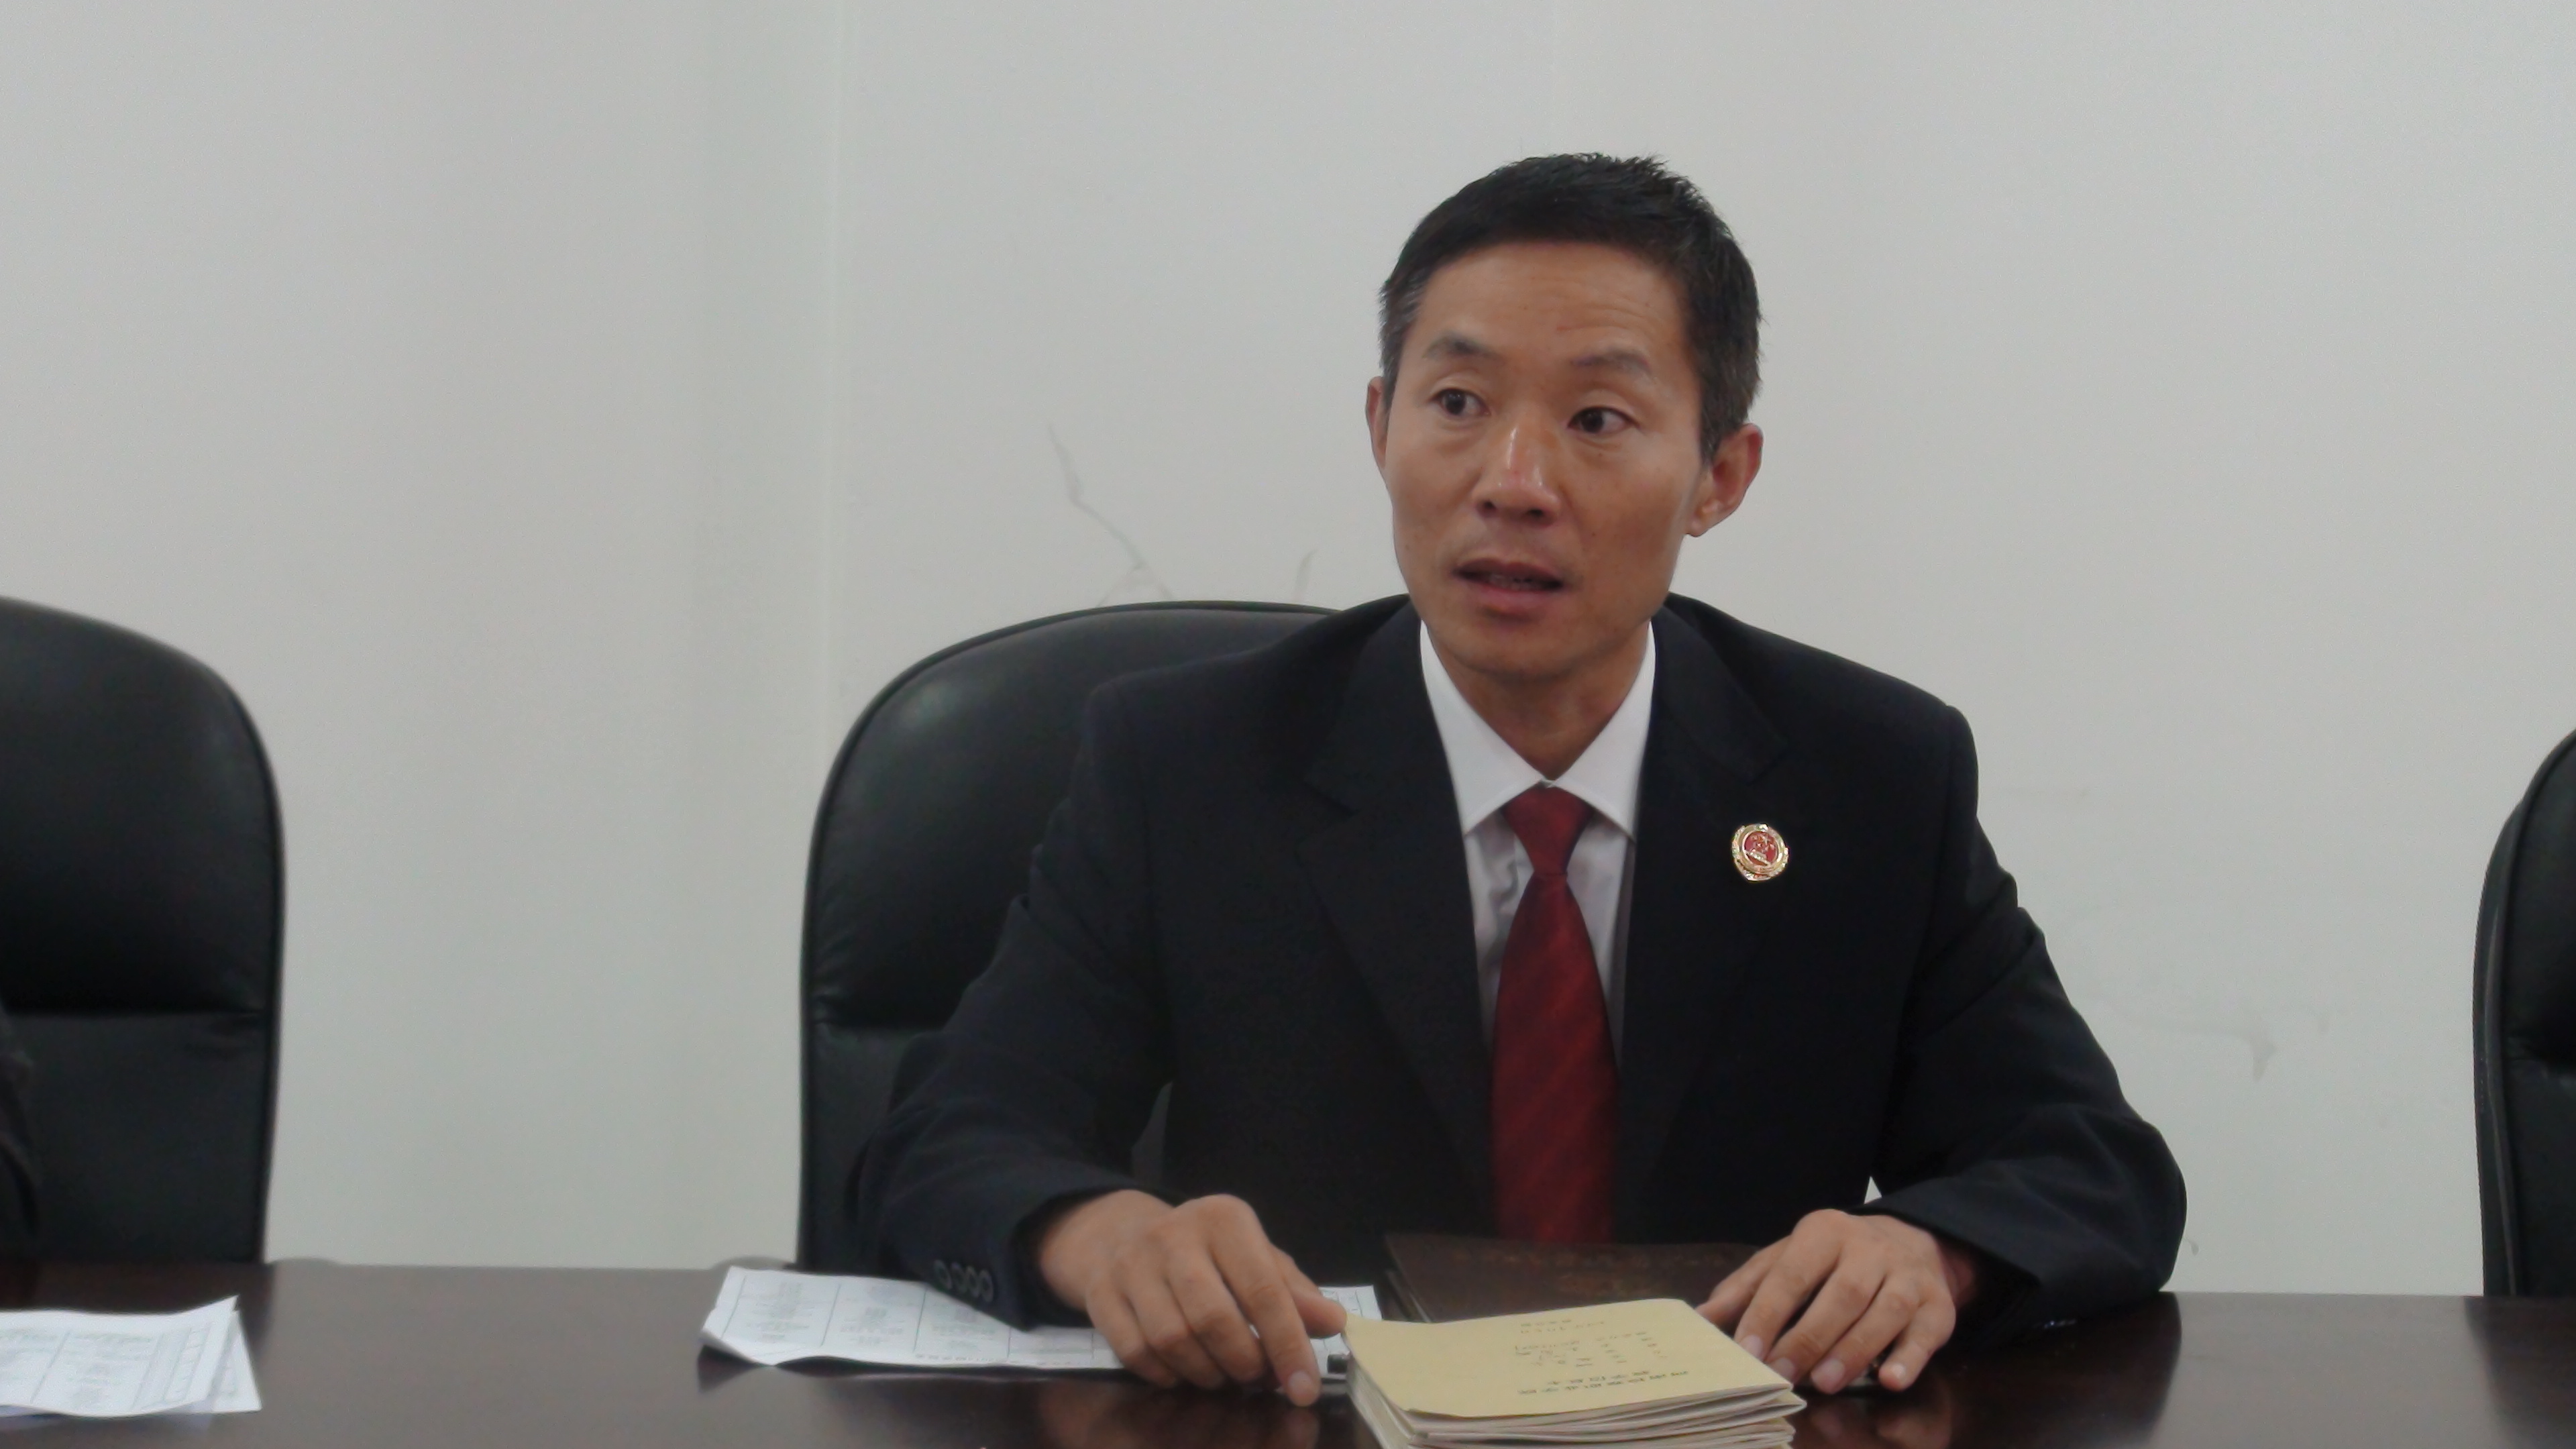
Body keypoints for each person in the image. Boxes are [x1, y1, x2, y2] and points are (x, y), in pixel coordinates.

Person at [852, 154, 2184, 1407]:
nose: (1514, 482)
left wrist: (1932, 1252)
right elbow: (947, 1137)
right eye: (1457, 404)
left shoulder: (1870, 777)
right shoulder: (1188, 764)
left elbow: (2089, 1164)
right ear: (1380, 426)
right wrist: (1101, 1236)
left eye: (1598, 418)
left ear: (1720, 476)